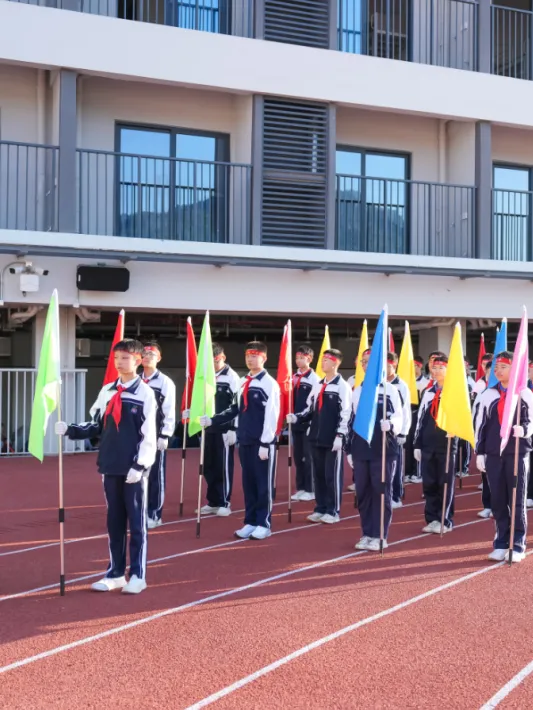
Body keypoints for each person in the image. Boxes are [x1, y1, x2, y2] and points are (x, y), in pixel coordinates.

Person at [56, 339, 157, 594]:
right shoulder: (107, 391)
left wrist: (140, 465)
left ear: (138, 360)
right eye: (116, 358)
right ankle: (115, 573)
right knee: (114, 522)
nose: (119, 363)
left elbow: (149, 434)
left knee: (137, 524)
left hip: (134, 469)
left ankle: (138, 575)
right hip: (110, 464)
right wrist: (70, 430)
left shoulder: (145, 393)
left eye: (125, 358)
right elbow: (96, 424)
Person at [200, 341, 280, 540]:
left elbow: (272, 416)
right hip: (245, 441)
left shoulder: (269, 384)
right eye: (248, 356)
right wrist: (213, 420)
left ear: (264, 358)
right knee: (249, 484)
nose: (250, 359)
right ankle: (250, 521)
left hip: (261, 443)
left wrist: (266, 442)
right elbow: (234, 408)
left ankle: (264, 523)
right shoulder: (244, 381)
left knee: (263, 485)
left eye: (255, 356)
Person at [475, 350, 533, 562]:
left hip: (516, 453)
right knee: (498, 500)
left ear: (514, 368)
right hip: (493, 454)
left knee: (516, 499)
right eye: (496, 367)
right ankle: (500, 542)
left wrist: (524, 430)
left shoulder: (524, 394)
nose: (498, 371)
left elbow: (531, 421)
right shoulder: (488, 395)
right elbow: (480, 426)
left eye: (504, 367)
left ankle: (517, 544)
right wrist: (480, 452)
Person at [347, 349, 403, 551]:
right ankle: (366, 533)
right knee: (363, 493)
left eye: (369, 361)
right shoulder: (358, 391)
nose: (365, 365)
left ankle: (380, 535)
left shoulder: (390, 390)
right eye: (363, 362)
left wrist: (392, 424)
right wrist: (349, 449)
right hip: (362, 449)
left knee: (381, 493)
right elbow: (351, 420)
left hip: (383, 450)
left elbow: (400, 415)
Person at [287, 349, 351, 525]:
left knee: (332, 476)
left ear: (336, 363)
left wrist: (340, 434)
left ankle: (333, 510)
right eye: (322, 359)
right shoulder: (319, 384)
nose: (322, 363)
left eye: (326, 360)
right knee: (319, 475)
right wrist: (297, 417)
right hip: (316, 437)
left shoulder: (342, 386)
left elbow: (346, 413)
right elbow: (310, 408)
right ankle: (320, 508)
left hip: (332, 439)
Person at [185, 343, 240, 516]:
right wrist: (192, 412)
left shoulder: (232, 377)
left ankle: (224, 502)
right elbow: (200, 400)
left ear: (223, 358)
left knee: (223, 466)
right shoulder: (205, 376)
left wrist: (234, 428)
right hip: (207, 428)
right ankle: (213, 501)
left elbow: (237, 405)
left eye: (216, 361)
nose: (214, 365)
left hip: (224, 429)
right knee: (208, 466)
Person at [414, 355, 458, 534]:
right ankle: (431, 518)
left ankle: (445, 519)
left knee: (445, 483)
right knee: (429, 484)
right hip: (428, 444)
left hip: (446, 444)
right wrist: (417, 443)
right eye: (434, 368)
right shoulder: (428, 392)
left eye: (441, 368)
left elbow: (463, 417)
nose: (436, 371)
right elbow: (420, 419)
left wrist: (456, 430)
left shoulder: (455, 391)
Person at [140, 342, 176, 529]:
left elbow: (169, 410)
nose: (147, 357)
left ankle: (155, 513)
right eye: (144, 354)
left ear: (159, 358)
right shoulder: (135, 380)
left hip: (155, 436)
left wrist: (165, 434)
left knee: (155, 475)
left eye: (151, 355)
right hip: (137, 436)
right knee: (138, 475)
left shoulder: (164, 382)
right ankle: (139, 511)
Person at [291, 345, 319, 502]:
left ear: (309, 359)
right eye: (297, 358)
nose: (298, 361)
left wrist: (311, 421)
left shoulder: (314, 379)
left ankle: (311, 488)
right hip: (295, 421)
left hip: (307, 423)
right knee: (298, 457)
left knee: (308, 457)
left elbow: (314, 403)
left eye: (302, 358)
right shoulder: (293, 377)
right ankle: (301, 487)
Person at [386, 352, 411, 509]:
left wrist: (403, 431)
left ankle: (396, 495)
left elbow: (405, 410)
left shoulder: (401, 385)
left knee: (395, 465)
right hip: (381, 430)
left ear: (394, 365)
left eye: (387, 365)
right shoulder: (379, 383)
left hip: (395, 431)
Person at [473, 359, 494, 518]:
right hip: (485, 440)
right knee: (486, 474)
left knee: (500, 477)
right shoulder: (483, 394)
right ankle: (487, 505)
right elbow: (476, 416)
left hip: (501, 442)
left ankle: (501, 506)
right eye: (489, 373)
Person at [404, 356, 427, 484]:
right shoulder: (406, 382)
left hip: (417, 414)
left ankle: (417, 472)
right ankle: (407, 471)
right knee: (407, 444)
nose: (413, 369)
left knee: (416, 443)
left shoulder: (424, 382)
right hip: (407, 414)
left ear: (420, 366)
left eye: (415, 366)